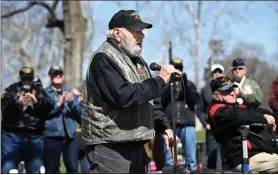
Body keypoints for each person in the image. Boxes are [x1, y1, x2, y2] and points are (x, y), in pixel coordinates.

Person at [81, 9, 178, 173]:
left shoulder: (138, 61)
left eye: (142, 31)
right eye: (135, 31)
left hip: (137, 145)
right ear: (117, 33)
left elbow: (151, 100)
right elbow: (124, 96)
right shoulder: (103, 59)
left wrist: (164, 126)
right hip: (110, 149)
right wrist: (160, 80)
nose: (142, 36)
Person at [208, 76, 278, 173]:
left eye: (232, 89)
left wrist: (271, 118)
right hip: (241, 158)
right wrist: (264, 118)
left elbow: (259, 111)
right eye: (227, 91)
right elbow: (239, 116)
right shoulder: (217, 110)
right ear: (216, 95)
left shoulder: (236, 106)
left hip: (256, 151)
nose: (232, 93)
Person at [1, 67, 54, 174]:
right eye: (24, 78)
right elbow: (3, 106)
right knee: (7, 169)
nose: (27, 81)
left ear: (33, 78)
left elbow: (50, 106)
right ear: (20, 78)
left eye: (29, 79)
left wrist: (36, 102)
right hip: (12, 137)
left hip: (34, 137)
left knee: (35, 170)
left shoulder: (39, 91)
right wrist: (18, 103)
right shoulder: (12, 89)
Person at [160, 58, 199, 172]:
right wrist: (169, 83)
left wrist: (185, 82)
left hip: (188, 125)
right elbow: (160, 100)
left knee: (191, 158)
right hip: (170, 126)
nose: (177, 70)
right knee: (169, 158)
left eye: (179, 68)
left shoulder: (189, 84)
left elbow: (194, 100)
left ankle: (192, 171)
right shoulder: (165, 85)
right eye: (174, 68)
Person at [43, 65, 82, 174]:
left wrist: (71, 103)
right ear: (49, 76)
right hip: (51, 136)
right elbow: (42, 113)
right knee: (52, 169)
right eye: (55, 73)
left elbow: (80, 113)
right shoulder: (44, 93)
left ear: (63, 76)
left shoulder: (70, 93)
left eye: (60, 73)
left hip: (70, 136)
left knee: (73, 168)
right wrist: (58, 104)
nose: (58, 75)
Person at [196, 64, 224, 172]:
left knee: (226, 157)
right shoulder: (205, 90)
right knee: (211, 158)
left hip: (225, 127)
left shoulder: (228, 88)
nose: (217, 74)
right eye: (215, 72)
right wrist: (205, 124)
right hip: (211, 128)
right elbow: (199, 110)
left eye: (219, 72)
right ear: (211, 74)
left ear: (223, 74)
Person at [72, 88, 90, 174]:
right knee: (72, 168)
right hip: (72, 141)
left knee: (86, 169)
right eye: (73, 96)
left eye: (76, 96)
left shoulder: (85, 106)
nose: (74, 98)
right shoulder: (67, 106)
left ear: (82, 96)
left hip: (84, 141)